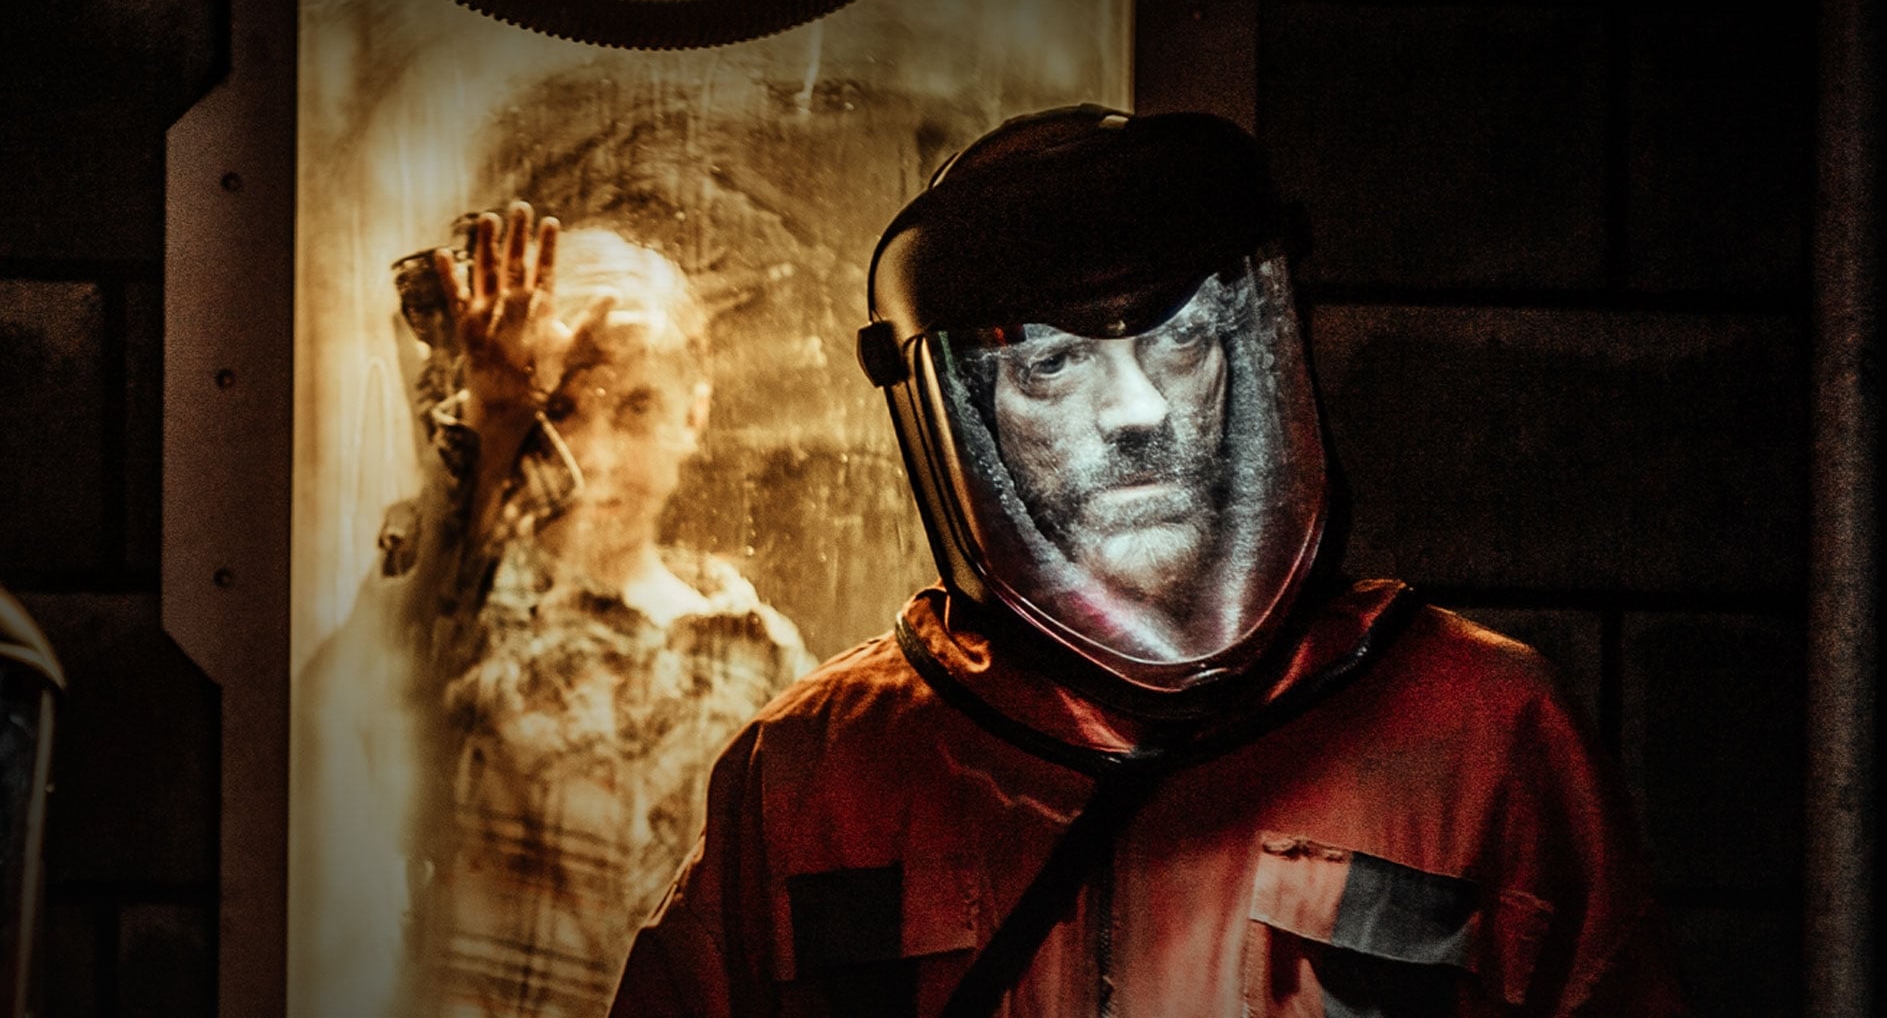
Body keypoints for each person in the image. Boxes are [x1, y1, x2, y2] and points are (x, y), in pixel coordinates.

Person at [609, 106, 1685, 1017]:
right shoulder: (814, 773)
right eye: (1050, 363)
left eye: (1181, 336)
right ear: (971, 416)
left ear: (1251, 354)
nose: (1137, 409)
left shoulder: (1482, 734)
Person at [290, 205, 812, 1018]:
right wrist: (496, 419)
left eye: (635, 407)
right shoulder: (470, 595)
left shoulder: (759, 654)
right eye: (562, 410)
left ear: (693, 414)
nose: (596, 457)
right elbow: (362, 701)